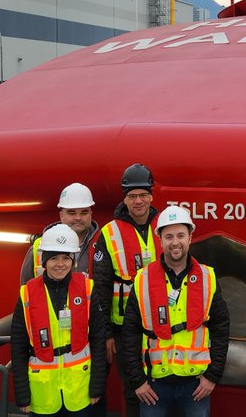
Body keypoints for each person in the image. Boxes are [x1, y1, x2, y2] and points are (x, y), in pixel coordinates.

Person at [120, 205, 230, 417]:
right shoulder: (142, 280)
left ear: (190, 237)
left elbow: (221, 328)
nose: (175, 242)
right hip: (153, 385)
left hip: (196, 385)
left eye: (181, 235)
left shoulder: (208, 278)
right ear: (160, 240)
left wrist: (212, 377)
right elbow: (130, 333)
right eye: (169, 236)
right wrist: (138, 382)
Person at [11, 223, 107, 416]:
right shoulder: (27, 293)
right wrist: (22, 393)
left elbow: (98, 339)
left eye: (66, 258)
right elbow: (18, 345)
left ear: (73, 260)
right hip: (43, 393)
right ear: (44, 261)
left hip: (79, 391)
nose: (60, 264)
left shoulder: (87, 289)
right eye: (54, 258)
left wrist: (97, 385)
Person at [92, 162, 161, 416]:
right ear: (125, 198)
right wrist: (107, 334)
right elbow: (100, 288)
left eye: (143, 195)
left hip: (160, 326)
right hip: (123, 330)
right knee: (133, 390)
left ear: (151, 195)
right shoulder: (109, 233)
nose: (138, 201)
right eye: (132, 196)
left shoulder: (166, 227)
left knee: (160, 388)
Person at [22, 183, 101, 283]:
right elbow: (26, 291)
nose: (78, 217)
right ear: (61, 215)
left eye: (84, 212)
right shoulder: (39, 247)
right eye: (71, 212)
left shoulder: (104, 244)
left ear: (91, 214)